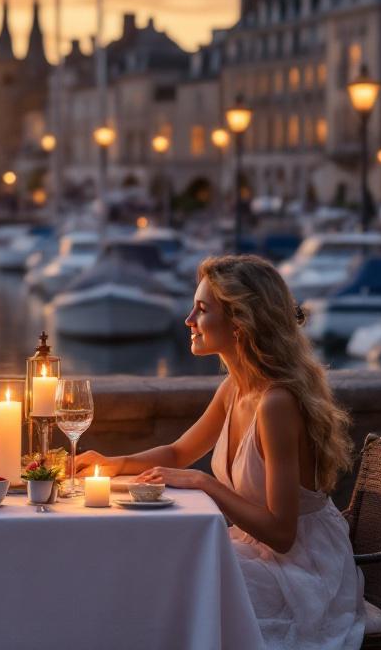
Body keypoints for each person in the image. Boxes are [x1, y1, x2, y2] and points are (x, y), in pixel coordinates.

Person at [76, 254, 365, 649]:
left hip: (301, 570)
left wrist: (203, 483)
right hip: (256, 552)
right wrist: (113, 464)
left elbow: (282, 534)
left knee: (169, 588)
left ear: (240, 322)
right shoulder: (235, 388)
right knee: (153, 570)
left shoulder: (276, 403)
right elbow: (178, 452)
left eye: (201, 309)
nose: (188, 320)